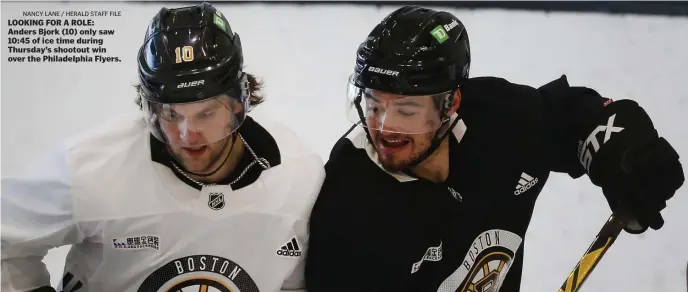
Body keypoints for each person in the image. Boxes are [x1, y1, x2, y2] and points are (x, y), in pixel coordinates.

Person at [304, 5, 684, 292]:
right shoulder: (349, 204)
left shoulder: (499, 118)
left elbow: (574, 115)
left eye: (406, 110)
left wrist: (626, 151)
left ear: (450, 105)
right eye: (373, 104)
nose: (384, 128)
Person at [1, 3, 324, 292]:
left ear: (239, 103)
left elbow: (294, 283)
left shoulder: (299, 176)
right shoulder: (92, 166)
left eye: (206, 113)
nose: (187, 135)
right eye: (171, 114)